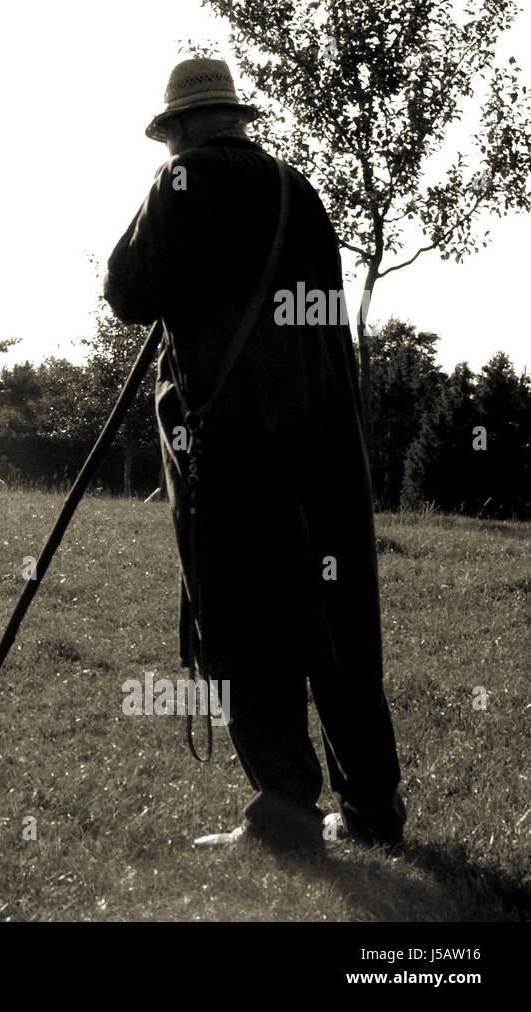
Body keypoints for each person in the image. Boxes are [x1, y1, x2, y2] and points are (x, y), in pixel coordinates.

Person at [103, 59, 406, 852]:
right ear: (235, 118)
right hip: (326, 447)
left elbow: (127, 291)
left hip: (232, 449)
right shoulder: (296, 191)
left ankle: (284, 812)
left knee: (245, 624)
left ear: (179, 130)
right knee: (337, 627)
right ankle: (374, 809)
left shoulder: (180, 187)